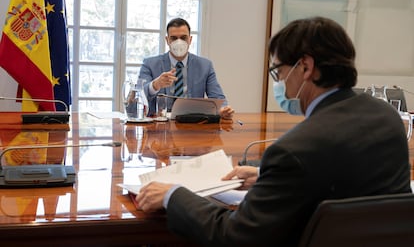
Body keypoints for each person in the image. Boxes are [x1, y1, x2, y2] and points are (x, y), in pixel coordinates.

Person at [135, 17, 411, 246]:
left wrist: (174, 194)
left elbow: (235, 236)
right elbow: (345, 182)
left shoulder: (294, 151)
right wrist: (266, 175)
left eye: (278, 71)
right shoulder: (387, 118)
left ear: (305, 67)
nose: (279, 83)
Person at [138, 17, 234, 119]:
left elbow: (218, 98)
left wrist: (223, 110)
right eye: (174, 38)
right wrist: (155, 85)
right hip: (159, 126)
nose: (179, 42)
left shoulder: (205, 65)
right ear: (167, 40)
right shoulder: (149, 64)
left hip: (193, 124)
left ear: (190, 39)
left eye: (183, 38)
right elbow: (138, 97)